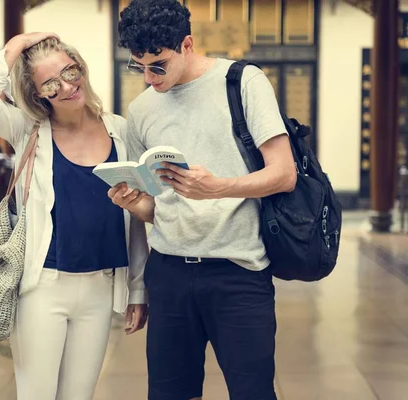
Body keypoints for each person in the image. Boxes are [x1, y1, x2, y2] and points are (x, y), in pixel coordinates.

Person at [108, 1, 297, 399]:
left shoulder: (242, 82)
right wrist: (132, 203)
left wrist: (219, 187)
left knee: (253, 392)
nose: (148, 77)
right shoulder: (141, 109)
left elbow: (284, 173)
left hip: (237, 270)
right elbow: (155, 208)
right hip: (170, 272)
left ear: (187, 44)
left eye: (158, 64)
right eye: (138, 66)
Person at [0, 32, 149, 400]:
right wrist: (20, 42)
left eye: (71, 71)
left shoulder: (122, 131)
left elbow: (136, 221)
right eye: (51, 83)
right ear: (37, 95)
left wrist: (138, 289)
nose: (67, 86)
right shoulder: (28, 130)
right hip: (42, 288)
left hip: (100, 286)